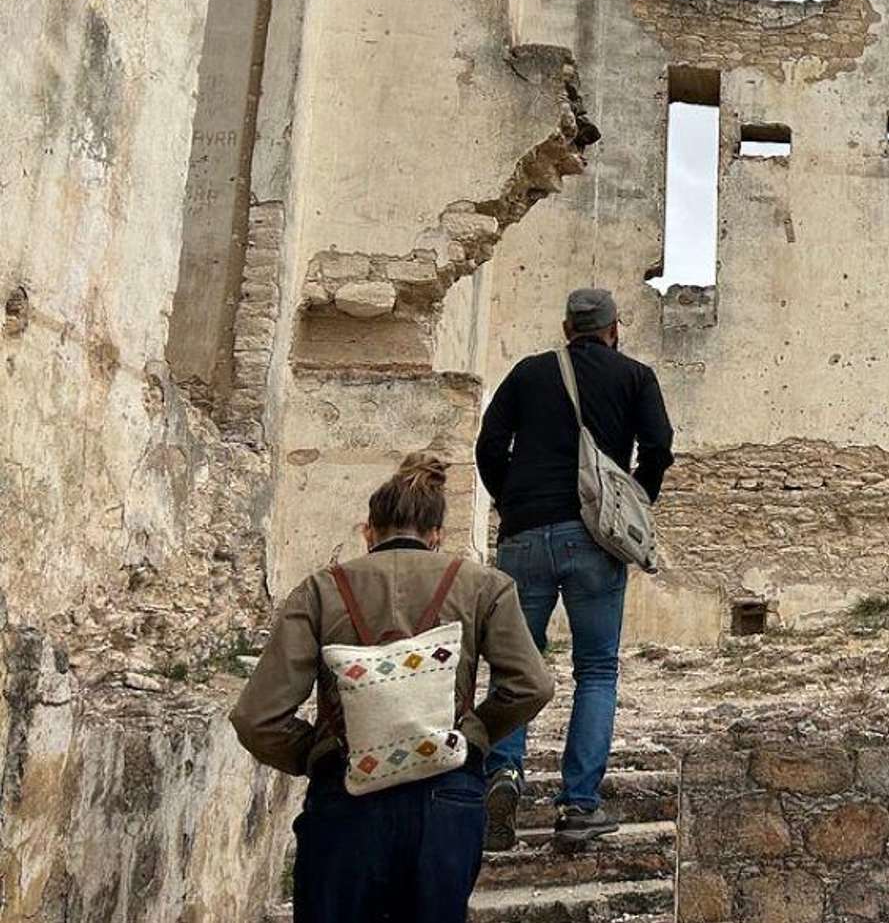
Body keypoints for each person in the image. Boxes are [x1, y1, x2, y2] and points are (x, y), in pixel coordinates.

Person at [230, 453, 554, 923]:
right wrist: (469, 734)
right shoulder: (486, 586)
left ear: (368, 531)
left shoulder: (319, 591)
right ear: (437, 534)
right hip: (446, 795)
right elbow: (531, 686)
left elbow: (256, 718)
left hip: (347, 793)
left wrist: (317, 754)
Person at [474, 287, 674, 850]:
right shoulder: (635, 377)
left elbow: (489, 445)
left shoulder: (528, 372)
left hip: (524, 535)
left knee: (516, 662)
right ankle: (579, 804)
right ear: (614, 329)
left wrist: (511, 500)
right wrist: (635, 498)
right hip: (595, 537)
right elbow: (659, 446)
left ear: (567, 329)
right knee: (597, 670)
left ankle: (504, 773)